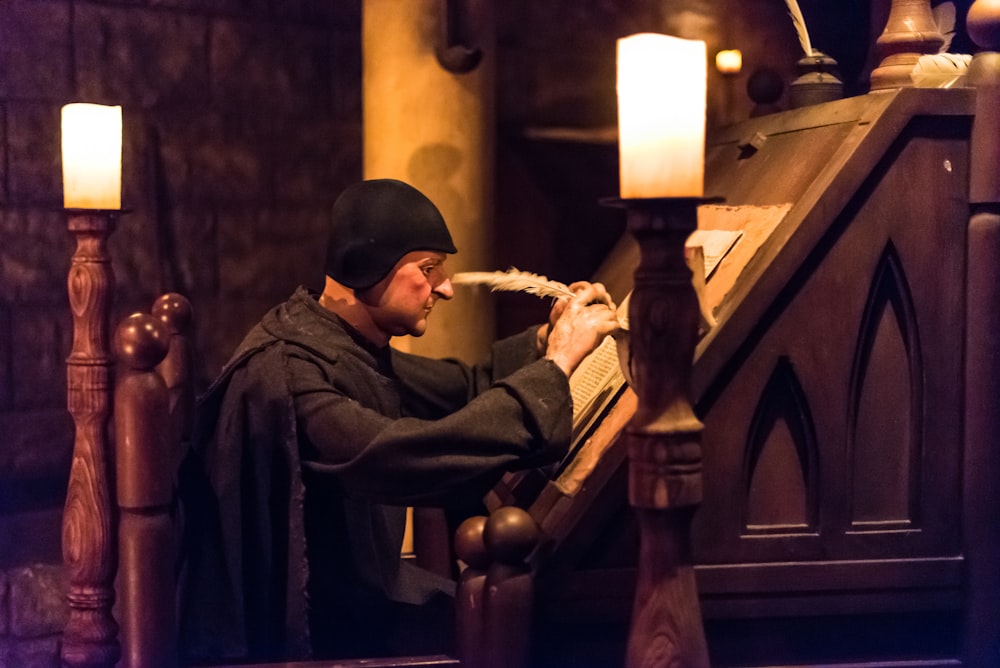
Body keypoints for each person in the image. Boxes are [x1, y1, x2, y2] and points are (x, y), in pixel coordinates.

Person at [177, 178, 619, 663]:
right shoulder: (291, 372)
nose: (445, 288)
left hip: (348, 598)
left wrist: (545, 341)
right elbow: (397, 457)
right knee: (549, 628)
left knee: (533, 613)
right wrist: (556, 366)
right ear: (367, 269)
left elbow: (464, 389)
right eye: (428, 269)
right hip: (298, 636)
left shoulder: (337, 340)